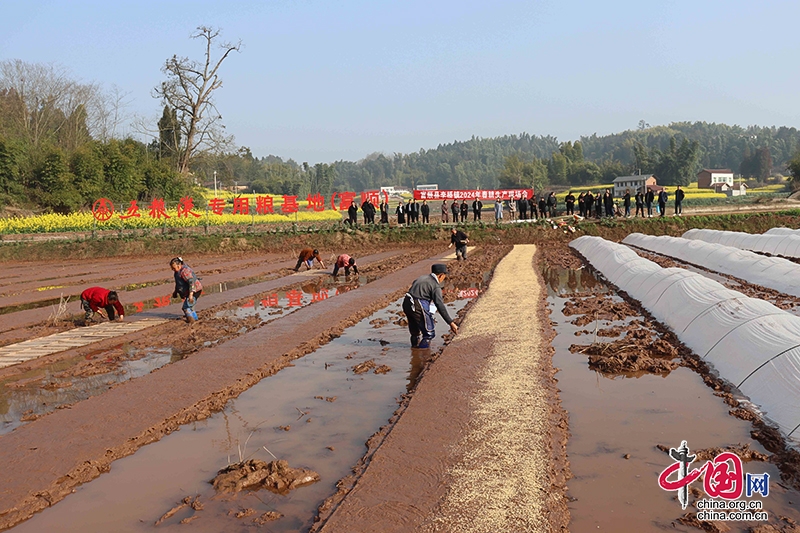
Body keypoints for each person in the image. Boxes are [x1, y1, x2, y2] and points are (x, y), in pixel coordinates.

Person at [402, 264, 458, 349]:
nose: (444, 278)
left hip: (407, 302)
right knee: (429, 333)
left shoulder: (421, 278)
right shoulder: (435, 286)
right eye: (444, 276)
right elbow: (440, 305)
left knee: (415, 332)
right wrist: (450, 322)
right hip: (418, 304)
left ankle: (413, 351)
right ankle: (422, 353)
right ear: (441, 275)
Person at [170, 257, 203, 323]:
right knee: (191, 308)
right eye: (172, 268)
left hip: (194, 290)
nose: (173, 269)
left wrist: (191, 295)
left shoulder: (185, 271)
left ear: (179, 265)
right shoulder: (177, 272)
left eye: (174, 268)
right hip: (190, 291)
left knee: (186, 307)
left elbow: (191, 283)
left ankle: (191, 321)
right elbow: (178, 283)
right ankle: (195, 319)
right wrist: (175, 292)